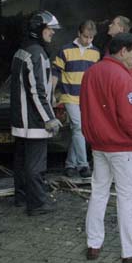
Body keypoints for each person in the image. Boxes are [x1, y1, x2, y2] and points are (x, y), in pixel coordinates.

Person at [80, 32, 132, 263]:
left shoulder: (91, 73)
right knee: (129, 198)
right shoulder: (123, 79)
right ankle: (131, 250)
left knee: (99, 192)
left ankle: (94, 244)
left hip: (98, 146)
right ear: (122, 51)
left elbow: (84, 110)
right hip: (122, 148)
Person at [10, 10, 63, 216]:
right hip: (34, 122)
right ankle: (38, 204)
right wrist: (49, 118)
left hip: (21, 119)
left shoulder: (22, 50)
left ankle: (22, 197)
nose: (52, 33)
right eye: (49, 29)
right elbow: (36, 91)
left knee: (21, 161)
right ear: (38, 30)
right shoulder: (37, 54)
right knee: (36, 165)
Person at [52, 20, 101, 178]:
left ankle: (70, 165)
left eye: (91, 38)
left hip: (87, 98)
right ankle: (83, 165)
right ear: (79, 34)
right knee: (79, 128)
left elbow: (96, 78)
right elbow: (55, 73)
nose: (88, 40)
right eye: (86, 36)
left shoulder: (96, 53)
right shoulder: (65, 50)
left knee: (77, 131)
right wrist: (52, 93)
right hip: (69, 95)